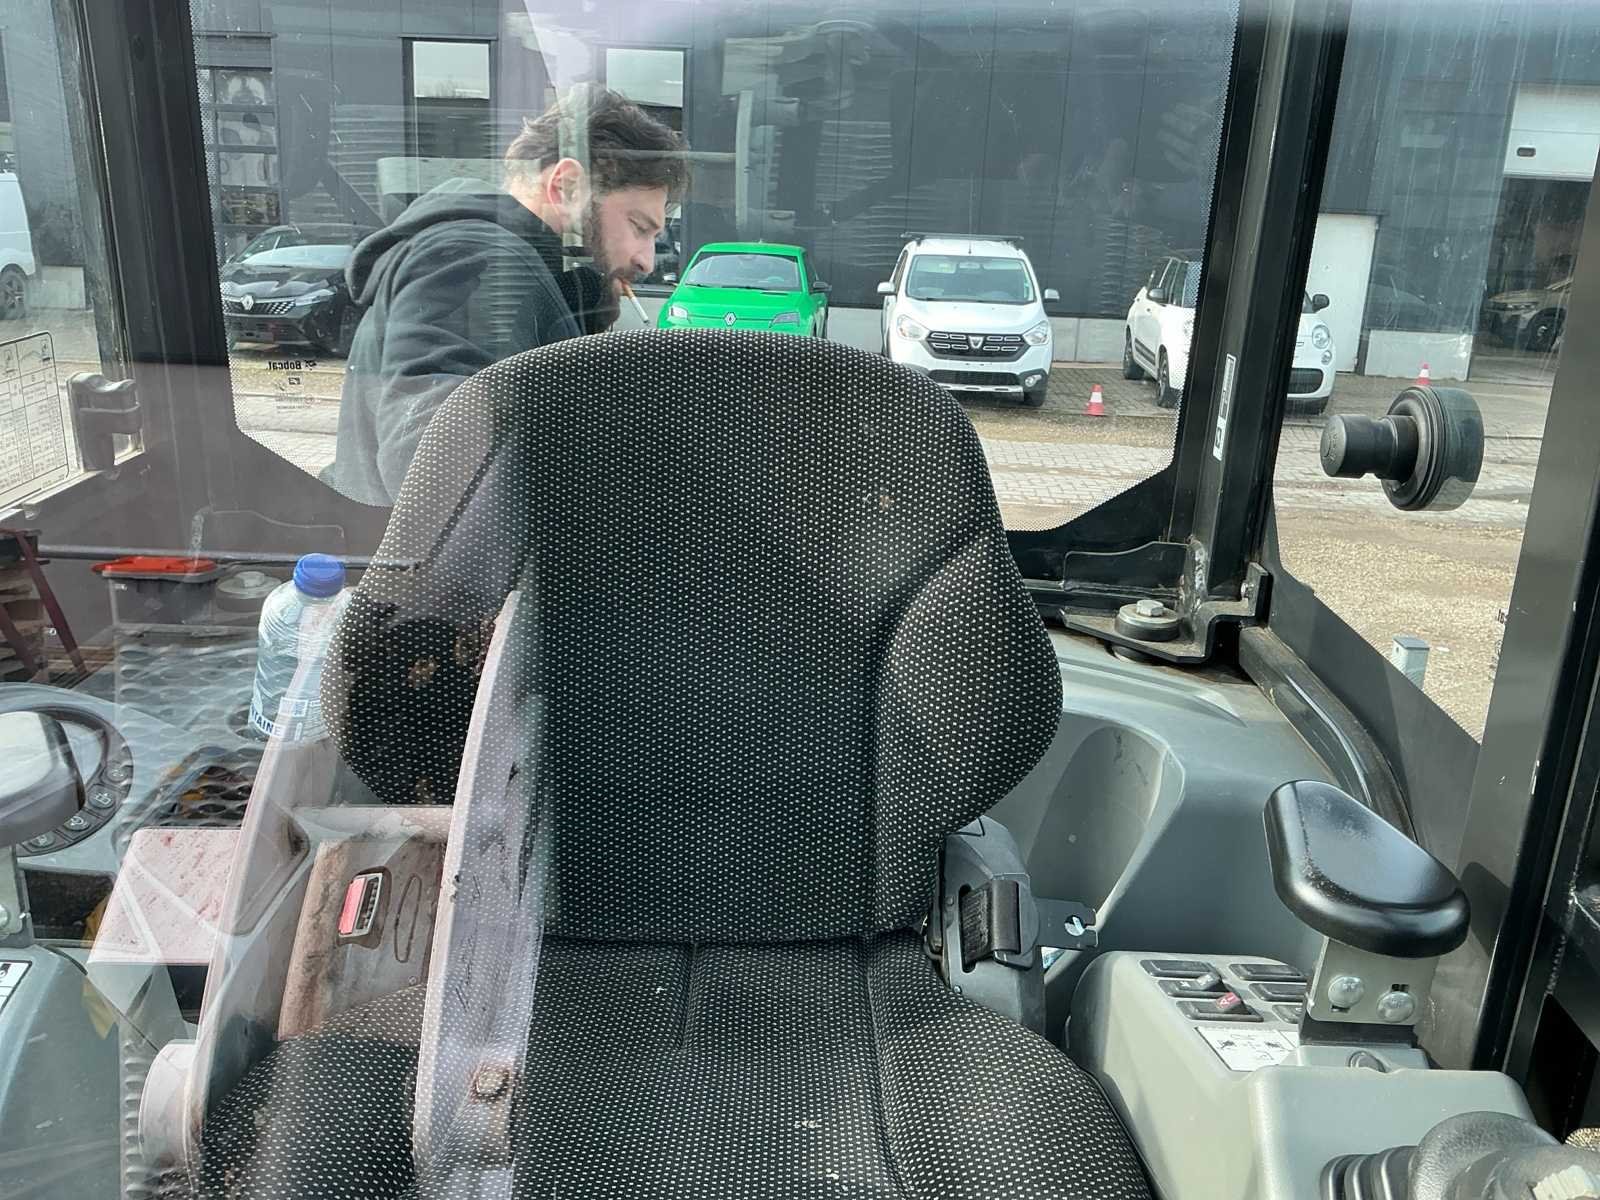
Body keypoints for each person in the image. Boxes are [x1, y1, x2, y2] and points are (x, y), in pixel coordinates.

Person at [323, 84, 688, 505]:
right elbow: (437, 462)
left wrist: (579, 304)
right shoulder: (479, 257)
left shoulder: (503, 263)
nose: (646, 261)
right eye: (639, 227)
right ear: (567, 188)